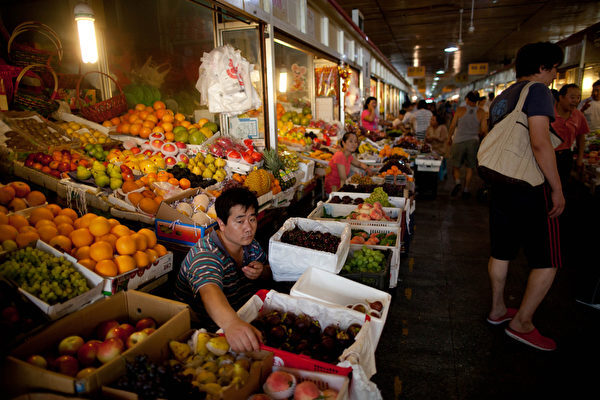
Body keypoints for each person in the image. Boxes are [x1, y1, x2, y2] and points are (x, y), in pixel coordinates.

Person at [484, 41, 564, 351]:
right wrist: (557, 188)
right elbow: (540, 142)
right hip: (529, 186)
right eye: (554, 68)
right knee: (548, 258)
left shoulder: (503, 97)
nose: (555, 74)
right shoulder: (539, 92)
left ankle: (498, 309)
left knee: (501, 250)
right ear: (543, 67)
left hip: (501, 183)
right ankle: (522, 323)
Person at [174, 187, 271, 352]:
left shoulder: (250, 245)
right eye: (240, 221)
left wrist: (262, 272)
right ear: (221, 224)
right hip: (205, 334)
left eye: (252, 219)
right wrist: (231, 324)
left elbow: (269, 273)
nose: (248, 228)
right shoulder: (206, 255)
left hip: (243, 319)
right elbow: (209, 291)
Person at [448, 91, 488, 198]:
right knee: (470, 167)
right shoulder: (481, 112)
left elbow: (452, 126)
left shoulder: (460, 110)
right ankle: (466, 189)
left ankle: (457, 182)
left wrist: (449, 138)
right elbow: (484, 130)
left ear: (466, 99)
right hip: (473, 142)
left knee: (456, 165)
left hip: (458, 140)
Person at [551, 83, 589, 187]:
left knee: (563, 186)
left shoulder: (578, 115)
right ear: (561, 97)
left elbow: (581, 137)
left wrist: (579, 160)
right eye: (572, 97)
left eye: (578, 98)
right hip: (548, 155)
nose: (576, 101)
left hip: (566, 156)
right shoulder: (548, 113)